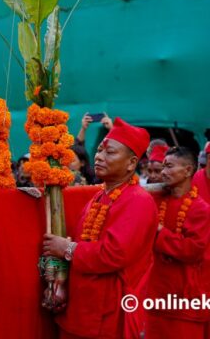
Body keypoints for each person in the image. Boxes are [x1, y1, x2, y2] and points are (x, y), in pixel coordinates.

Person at [42, 117, 158, 339]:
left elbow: (114, 254)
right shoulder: (99, 196)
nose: (98, 156)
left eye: (110, 152)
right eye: (100, 150)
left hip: (108, 315)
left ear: (131, 163)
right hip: (80, 310)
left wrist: (67, 249)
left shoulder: (138, 201)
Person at [145, 146, 210, 339]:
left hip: (185, 297)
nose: (163, 172)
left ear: (188, 170)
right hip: (157, 291)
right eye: (162, 167)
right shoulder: (155, 199)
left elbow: (192, 250)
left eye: (169, 166)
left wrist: (159, 232)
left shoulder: (202, 210)